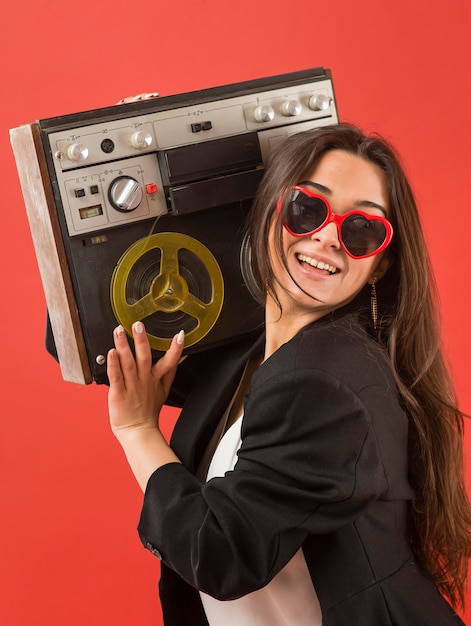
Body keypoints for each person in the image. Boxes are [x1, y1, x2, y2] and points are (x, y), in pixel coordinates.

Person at [107, 123, 471, 625]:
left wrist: (137, 431)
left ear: (381, 265)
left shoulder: (326, 379)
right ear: (270, 209)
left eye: (362, 229)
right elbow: (87, 337)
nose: (326, 237)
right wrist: (141, 151)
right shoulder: (248, 354)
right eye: (307, 208)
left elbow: (220, 554)